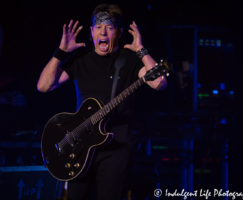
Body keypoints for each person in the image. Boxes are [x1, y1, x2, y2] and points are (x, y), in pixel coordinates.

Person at [37, 4, 167, 200]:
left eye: (109, 27)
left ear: (119, 32)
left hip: (115, 148)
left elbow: (159, 83)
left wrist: (141, 50)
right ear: (91, 32)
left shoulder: (129, 60)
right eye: (98, 27)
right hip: (79, 147)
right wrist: (61, 52)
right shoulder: (80, 59)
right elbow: (43, 86)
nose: (103, 32)